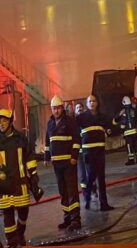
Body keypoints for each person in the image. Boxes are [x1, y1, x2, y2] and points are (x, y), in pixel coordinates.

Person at [0, 108, 38, 247]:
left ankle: (20, 233)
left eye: (4, 121)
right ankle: (12, 242)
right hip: (4, 186)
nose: (1, 124)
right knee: (7, 216)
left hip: (20, 183)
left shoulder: (20, 138)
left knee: (23, 211)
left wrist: (33, 174)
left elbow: (29, 156)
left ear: (10, 122)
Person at [45, 95, 81, 232]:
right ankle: (67, 218)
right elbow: (48, 142)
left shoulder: (70, 121)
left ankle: (76, 220)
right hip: (57, 163)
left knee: (72, 191)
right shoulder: (50, 123)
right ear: (51, 109)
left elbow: (76, 140)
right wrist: (46, 157)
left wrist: (74, 156)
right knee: (63, 191)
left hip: (68, 162)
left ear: (62, 108)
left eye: (58, 108)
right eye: (54, 108)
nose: (56, 111)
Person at [77, 95, 114, 211]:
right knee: (91, 177)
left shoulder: (102, 117)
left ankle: (104, 204)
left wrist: (109, 130)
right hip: (88, 152)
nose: (92, 103)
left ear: (97, 103)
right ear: (87, 104)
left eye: (94, 101)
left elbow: (109, 128)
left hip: (100, 150)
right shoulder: (81, 118)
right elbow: (75, 132)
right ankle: (87, 199)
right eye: (90, 101)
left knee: (101, 178)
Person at [114, 95, 137, 165]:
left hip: (128, 133)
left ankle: (131, 160)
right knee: (136, 145)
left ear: (124, 102)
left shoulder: (124, 111)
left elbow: (122, 123)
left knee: (129, 146)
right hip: (135, 132)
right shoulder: (133, 110)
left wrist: (121, 130)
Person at [74, 104, 88, 197]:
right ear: (75, 111)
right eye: (77, 108)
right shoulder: (73, 123)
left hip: (88, 151)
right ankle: (85, 192)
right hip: (79, 153)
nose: (79, 109)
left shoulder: (87, 121)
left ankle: (93, 189)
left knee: (90, 172)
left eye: (80, 107)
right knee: (82, 174)